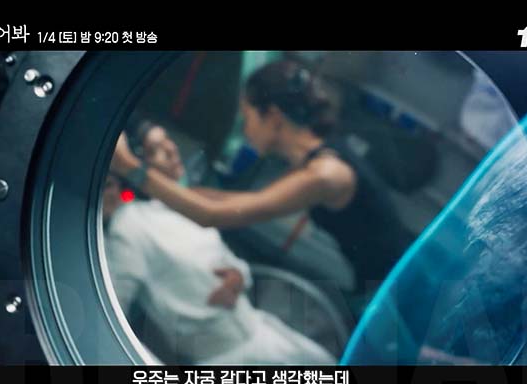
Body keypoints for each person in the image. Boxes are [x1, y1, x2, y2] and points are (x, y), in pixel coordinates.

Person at [113, 59, 413, 294]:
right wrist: (172, 184)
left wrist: (130, 167)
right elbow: (241, 201)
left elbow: (214, 214)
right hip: (385, 277)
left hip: (402, 284)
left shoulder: (323, 174)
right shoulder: (317, 156)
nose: (244, 130)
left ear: (273, 117)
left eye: (247, 117)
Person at [102, 142, 336, 365]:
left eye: (169, 144)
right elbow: (111, 312)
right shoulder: (128, 228)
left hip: (265, 335)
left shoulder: (177, 208)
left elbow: (228, 258)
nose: (172, 151)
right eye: (158, 150)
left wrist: (238, 277)